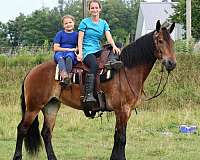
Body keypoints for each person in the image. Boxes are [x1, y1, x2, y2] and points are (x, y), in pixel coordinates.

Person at [77, 0, 122, 109]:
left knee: (118, 44)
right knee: (93, 65)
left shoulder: (103, 23)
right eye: (92, 8)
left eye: (96, 8)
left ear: (100, 9)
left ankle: (111, 62)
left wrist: (114, 46)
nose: (94, 10)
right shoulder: (84, 22)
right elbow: (80, 38)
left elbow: (109, 36)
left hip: (98, 49)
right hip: (87, 50)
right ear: (89, 10)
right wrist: (80, 52)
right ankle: (88, 95)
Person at [53, 15, 78, 85]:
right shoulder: (60, 34)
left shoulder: (77, 34)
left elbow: (79, 46)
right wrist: (68, 49)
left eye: (70, 22)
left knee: (69, 57)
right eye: (66, 23)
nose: (68, 25)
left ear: (74, 23)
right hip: (60, 52)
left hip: (71, 53)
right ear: (63, 25)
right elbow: (56, 48)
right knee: (60, 58)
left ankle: (69, 75)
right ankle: (64, 76)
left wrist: (76, 49)